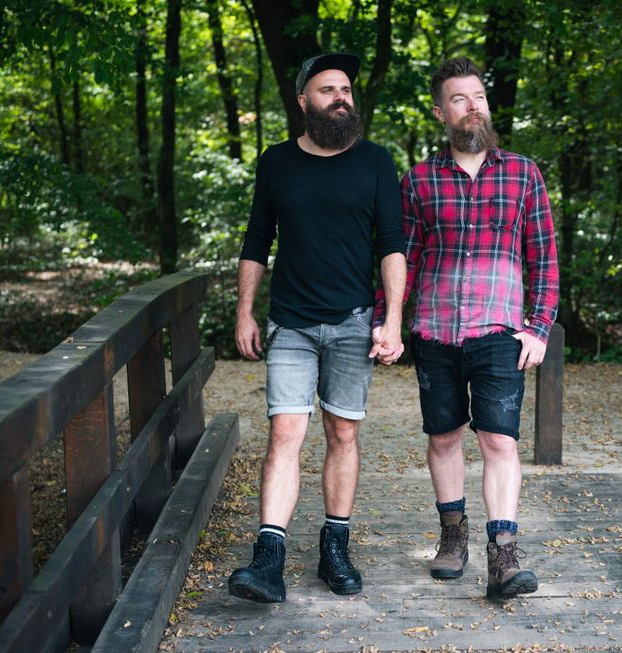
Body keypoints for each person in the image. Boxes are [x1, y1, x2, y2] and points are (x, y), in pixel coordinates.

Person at [375, 57, 558, 599]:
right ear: (441, 113)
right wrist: (389, 321)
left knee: (499, 439)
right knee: (444, 437)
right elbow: (402, 259)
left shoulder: (523, 174)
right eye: (459, 99)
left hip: (501, 332)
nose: (473, 106)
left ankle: (504, 554)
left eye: (478, 96)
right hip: (435, 331)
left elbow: (544, 258)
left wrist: (539, 327)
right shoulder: (418, 180)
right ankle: (452, 536)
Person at [229, 52, 406, 604]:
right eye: (328, 89)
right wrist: (244, 310)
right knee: (285, 434)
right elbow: (257, 239)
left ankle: (335, 548)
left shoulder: (375, 161)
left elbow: (392, 245)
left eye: (346, 89)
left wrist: (393, 319)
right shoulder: (277, 162)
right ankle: (268, 559)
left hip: (354, 321)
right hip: (291, 323)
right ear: (304, 100)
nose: (340, 97)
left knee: (343, 435)